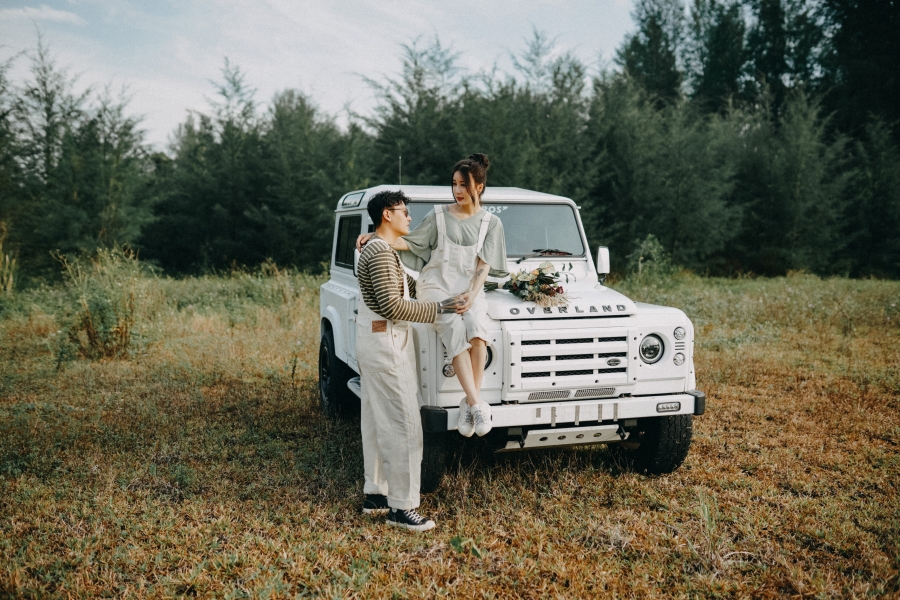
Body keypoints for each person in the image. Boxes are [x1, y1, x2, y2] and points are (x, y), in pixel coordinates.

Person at [357, 154, 507, 438]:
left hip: (469, 288)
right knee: (452, 327)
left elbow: (483, 265)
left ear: (480, 187)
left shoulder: (491, 223)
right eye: (454, 184)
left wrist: (472, 297)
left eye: (465, 184)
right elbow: (410, 243)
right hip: (436, 285)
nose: (458, 190)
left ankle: (467, 403)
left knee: (477, 332)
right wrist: (375, 237)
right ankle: (477, 403)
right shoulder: (438, 215)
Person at [355, 189, 463, 532]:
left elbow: (402, 290)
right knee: (404, 424)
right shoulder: (382, 253)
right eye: (404, 211)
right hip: (387, 341)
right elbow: (393, 306)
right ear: (387, 214)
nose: (409, 217)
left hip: (372, 339)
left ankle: (376, 494)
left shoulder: (375, 248)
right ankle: (402, 508)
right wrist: (440, 309)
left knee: (375, 417)